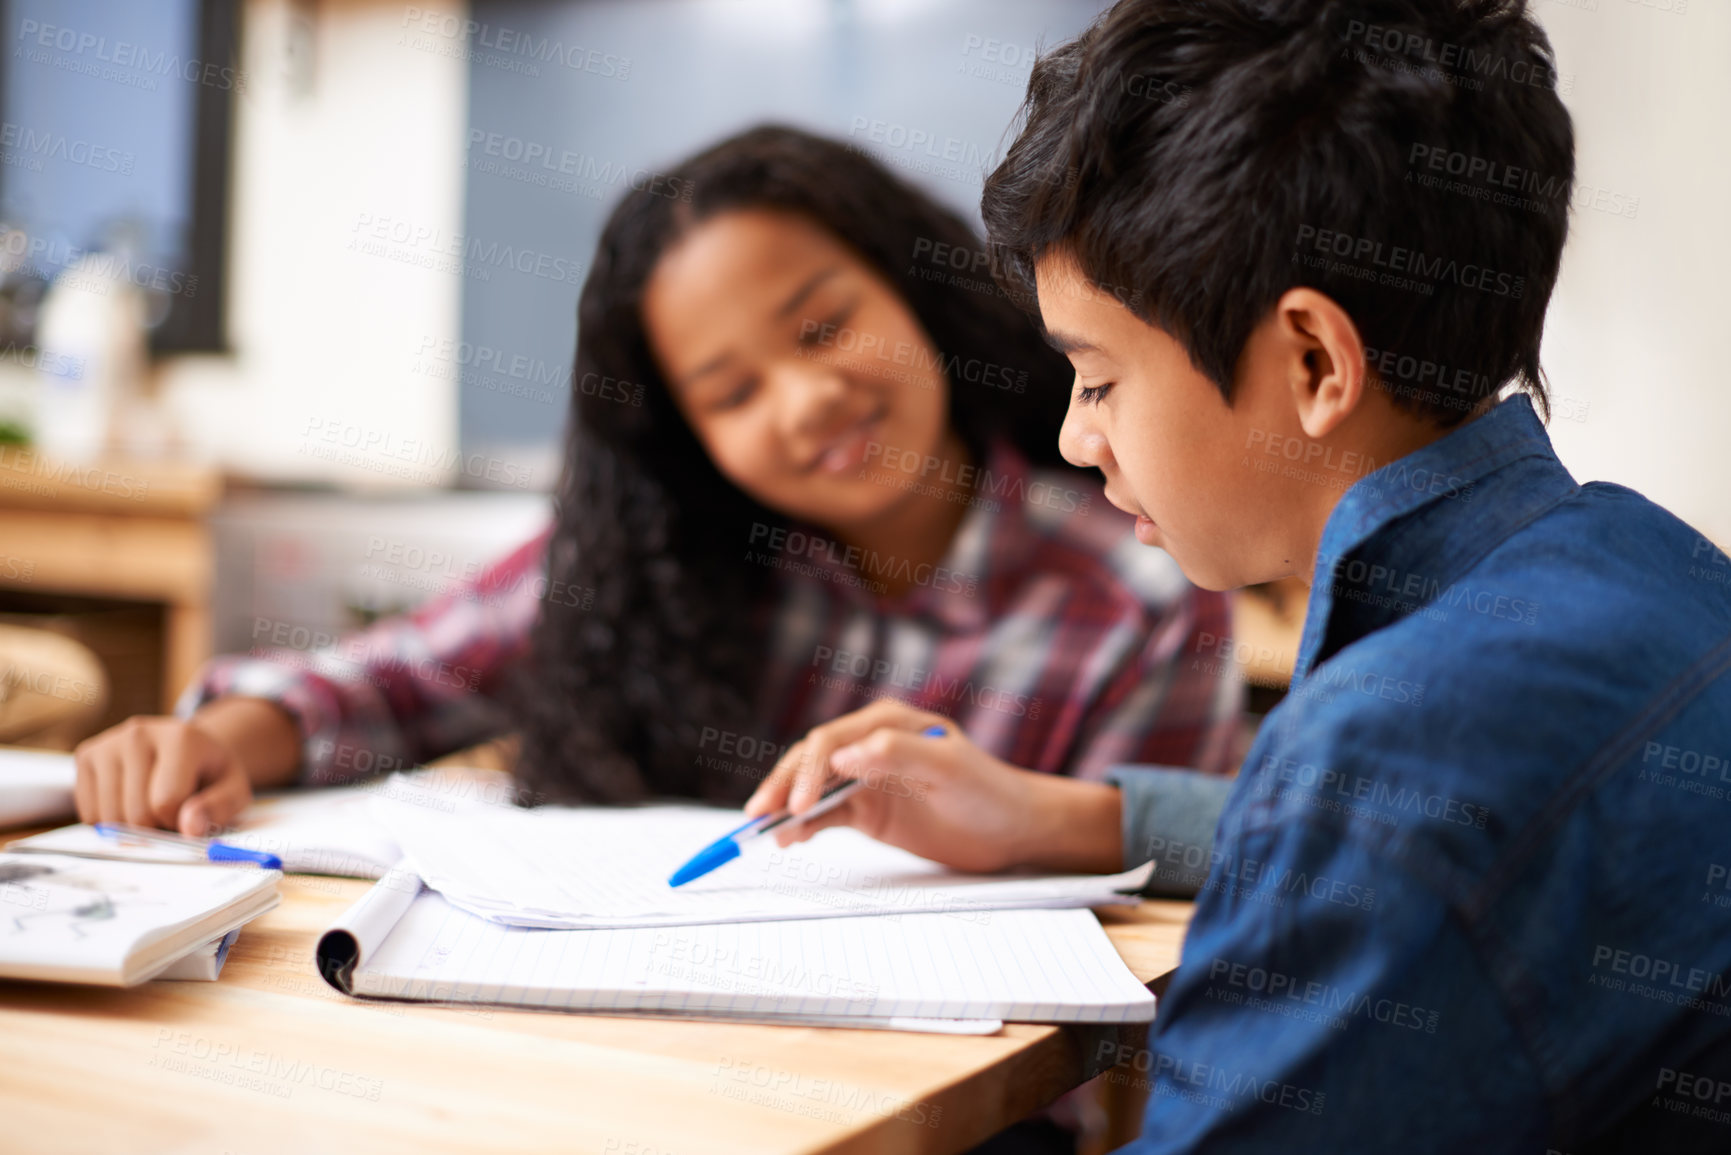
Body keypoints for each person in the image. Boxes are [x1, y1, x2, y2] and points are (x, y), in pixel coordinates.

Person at [746, 2, 1731, 1150]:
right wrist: (1053, 822)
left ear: (1314, 362)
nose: (1076, 438)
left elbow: (1387, 822)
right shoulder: (1648, 559)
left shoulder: (1393, 748)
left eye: (1102, 381)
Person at [70, 125, 1240, 841]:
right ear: (686, 436)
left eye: (823, 327)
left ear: (913, 290)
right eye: (729, 393)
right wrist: (223, 735)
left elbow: (1149, 890)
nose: (802, 401)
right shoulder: (663, 556)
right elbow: (398, 682)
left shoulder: (1136, 590)